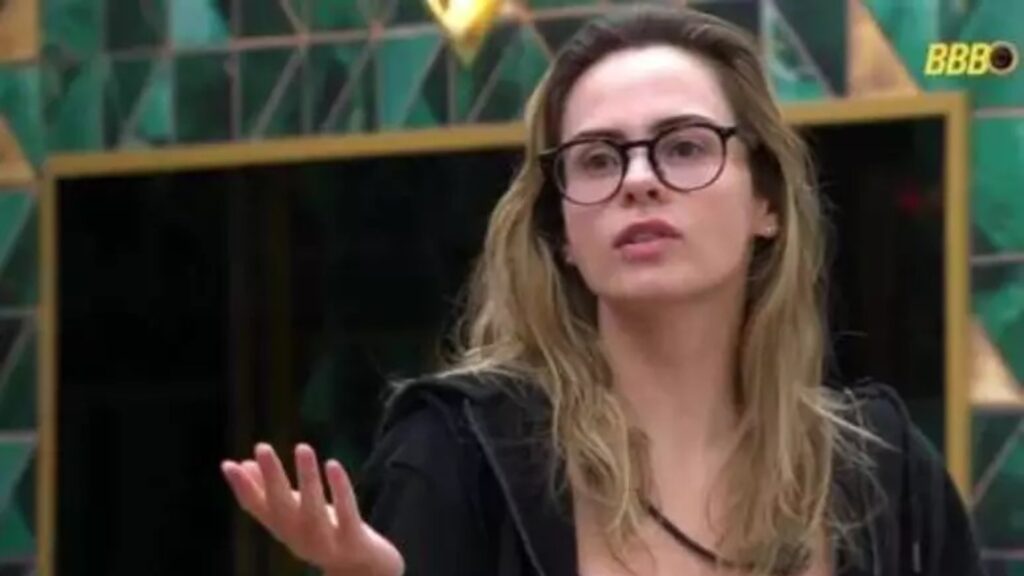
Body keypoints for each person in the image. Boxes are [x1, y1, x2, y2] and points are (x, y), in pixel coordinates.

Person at [221, 6, 985, 576]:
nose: (639, 180)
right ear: (560, 230)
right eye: (596, 158)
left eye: (684, 146)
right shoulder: (460, 456)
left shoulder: (884, 472)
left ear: (768, 202)